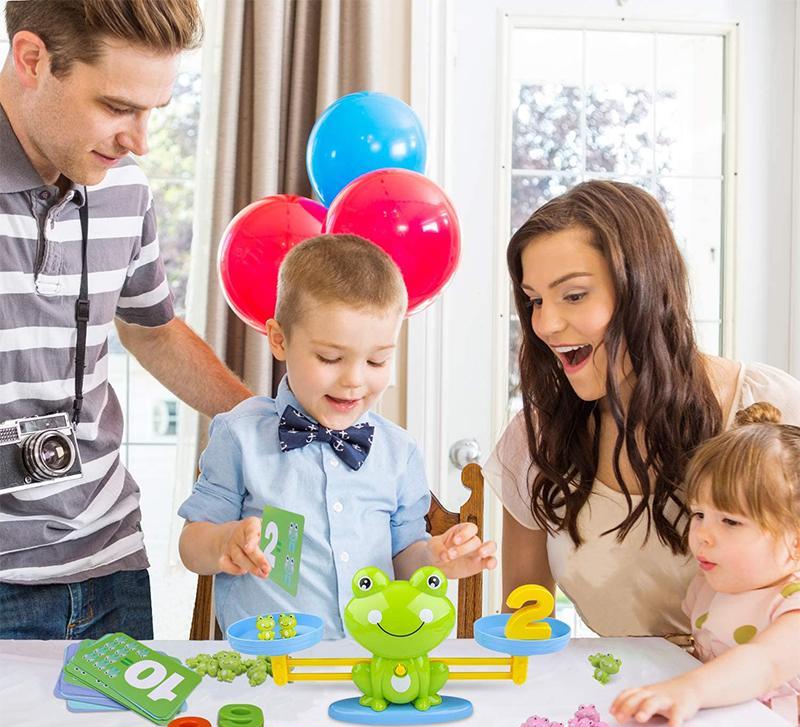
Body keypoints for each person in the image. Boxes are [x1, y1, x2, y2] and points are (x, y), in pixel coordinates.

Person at [0, 0, 253, 639]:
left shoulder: (125, 186)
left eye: (151, 111)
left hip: (111, 566)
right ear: (32, 60)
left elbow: (152, 329)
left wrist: (267, 425)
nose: (139, 141)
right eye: (117, 108)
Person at [484, 180, 800, 637]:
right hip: (620, 682)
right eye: (535, 300)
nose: (545, 325)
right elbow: (525, 625)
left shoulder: (770, 406)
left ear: (645, 290)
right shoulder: (536, 439)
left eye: (573, 295)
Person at [178, 234, 497, 638]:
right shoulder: (240, 435)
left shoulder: (398, 452)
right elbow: (191, 547)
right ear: (279, 340)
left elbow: (403, 560)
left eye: (377, 360)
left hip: (372, 659)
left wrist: (435, 559)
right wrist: (224, 542)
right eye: (330, 358)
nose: (354, 380)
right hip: (270, 660)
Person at [610, 402, 800, 727]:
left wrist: (690, 689)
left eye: (730, 521)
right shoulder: (712, 582)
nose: (702, 535)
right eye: (699, 514)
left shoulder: (792, 606)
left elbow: (764, 663)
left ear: (796, 542)